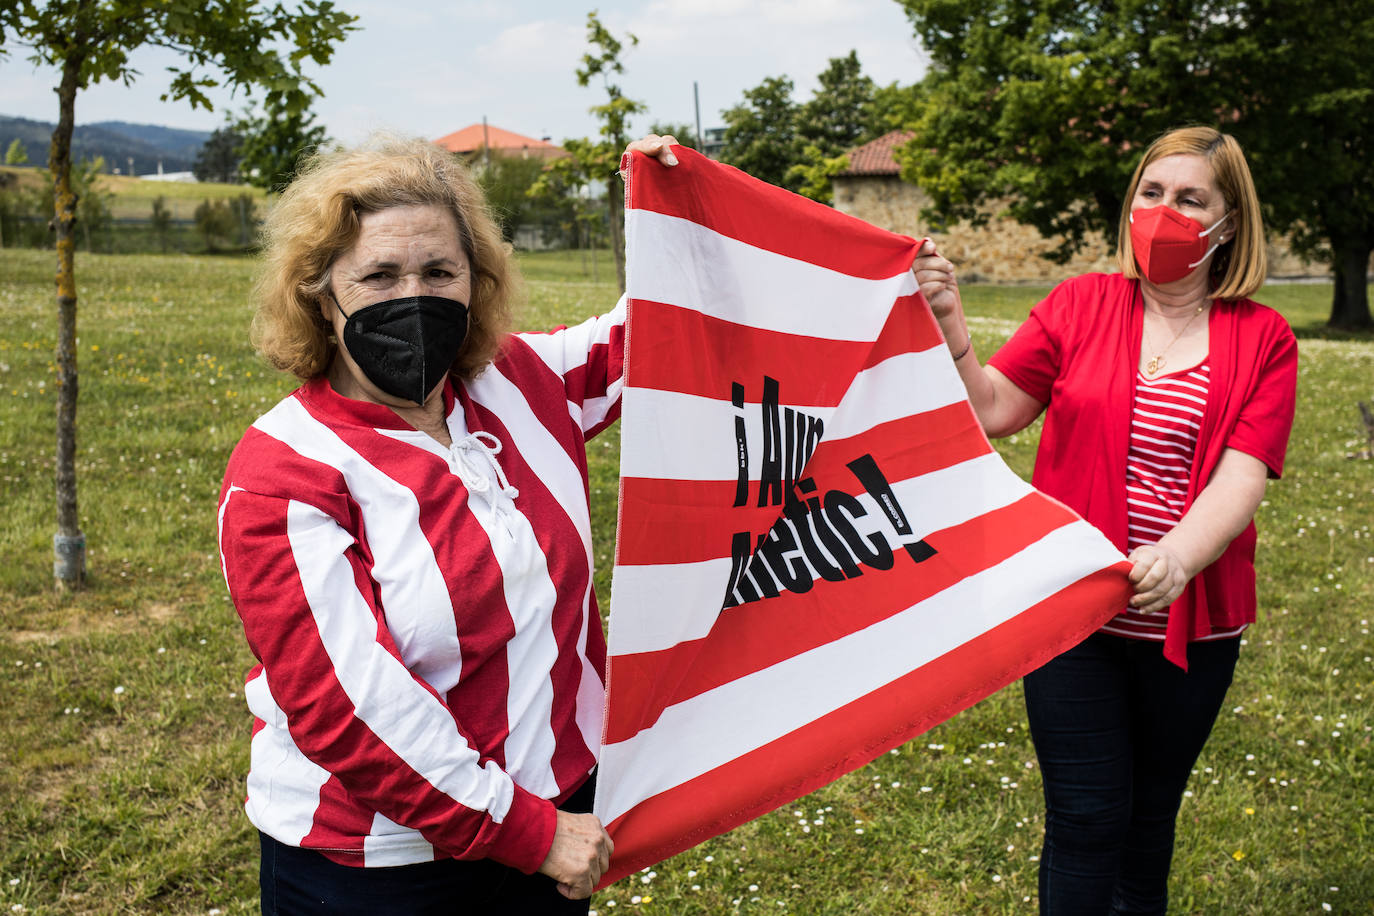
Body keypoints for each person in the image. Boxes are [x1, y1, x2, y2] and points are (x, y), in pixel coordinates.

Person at [217, 133, 678, 914]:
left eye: (439, 272)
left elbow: (667, 330)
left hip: (555, 821)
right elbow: (346, 710)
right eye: (379, 274)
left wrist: (674, 212)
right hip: (387, 869)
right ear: (320, 296)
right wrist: (528, 834)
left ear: (476, 281)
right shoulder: (284, 473)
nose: (414, 297)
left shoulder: (521, 383)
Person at [914, 126, 1297, 914]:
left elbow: (1242, 476)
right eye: (1152, 193)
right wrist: (950, 324)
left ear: (1229, 223)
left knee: (1147, 828)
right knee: (1086, 822)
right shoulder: (1078, 304)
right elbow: (992, 410)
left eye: (1192, 199)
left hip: (1193, 632)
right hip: (1072, 617)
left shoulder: (1265, 338)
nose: (1166, 211)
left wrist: (1180, 557)